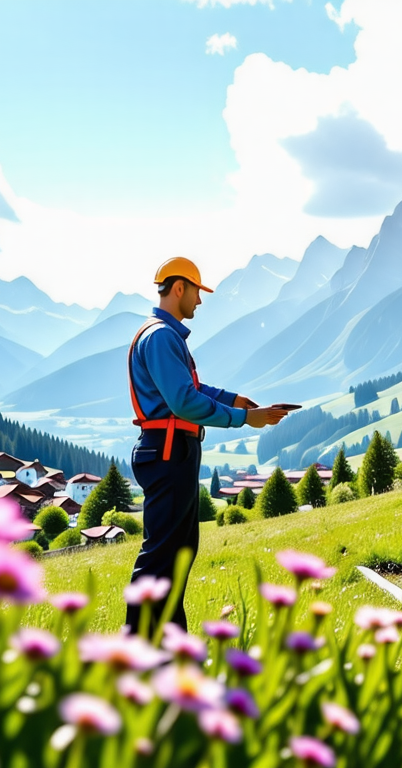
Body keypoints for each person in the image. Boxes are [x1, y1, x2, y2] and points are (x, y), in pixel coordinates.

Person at [124, 257, 290, 633]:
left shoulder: (162, 335)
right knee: (161, 558)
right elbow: (184, 401)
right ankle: (137, 649)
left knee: (177, 555)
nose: (200, 302)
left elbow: (191, 390)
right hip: (168, 452)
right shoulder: (162, 337)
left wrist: (234, 400)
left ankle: (168, 644)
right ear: (179, 287)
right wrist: (245, 419)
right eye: (198, 292)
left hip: (171, 451)